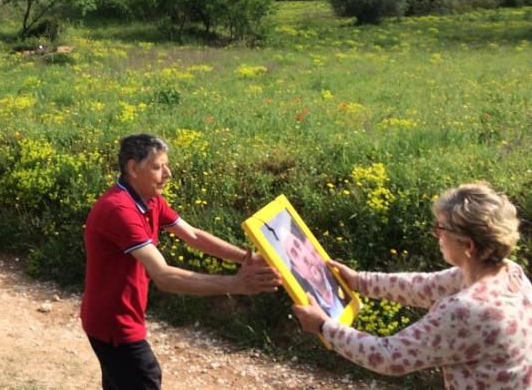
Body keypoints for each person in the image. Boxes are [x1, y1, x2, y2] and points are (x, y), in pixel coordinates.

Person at [81, 134, 281, 389]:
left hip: (115, 317)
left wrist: (246, 257)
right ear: (133, 168)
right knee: (145, 376)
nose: (168, 173)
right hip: (114, 325)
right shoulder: (119, 210)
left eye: (166, 165)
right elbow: (163, 275)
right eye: (158, 167)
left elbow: (195, 236)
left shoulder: (149, 201)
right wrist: (235, 283)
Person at [293, 182, 532, 387]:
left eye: (441, 228)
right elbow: (422, 286)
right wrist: (359, 281)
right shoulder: (510, 273)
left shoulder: (467, 309)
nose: (436, 235)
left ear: (468, 246)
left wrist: (324, 327)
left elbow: (389, 356)